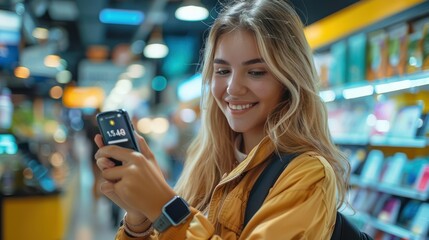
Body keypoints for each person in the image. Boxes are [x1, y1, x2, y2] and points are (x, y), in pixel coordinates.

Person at [94, 0, 351, 239]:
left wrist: (165, 208)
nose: (232, 88)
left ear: (289, 79)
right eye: (222, 71)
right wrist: (139, 220)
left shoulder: (308, 175)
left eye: (256, 72)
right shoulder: (208, 161)